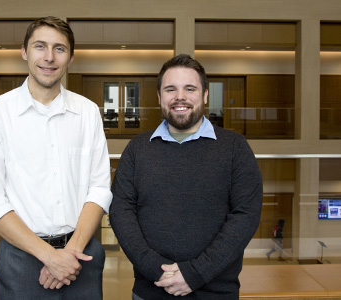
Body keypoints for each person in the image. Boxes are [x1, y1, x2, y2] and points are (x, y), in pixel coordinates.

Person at [0, 16, 112, 300]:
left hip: (81, 253)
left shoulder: (87, 112)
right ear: (24, 51)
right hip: (21, 259)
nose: (49, 57)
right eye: (40, 46)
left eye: (59, 49)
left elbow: (98, 189)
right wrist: (50, 257)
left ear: (70, 58)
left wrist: (69, 253)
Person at [109, 54, 263, 300]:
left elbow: (245, 216)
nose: (180, 96)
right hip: (151, 291)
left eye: (189, 89)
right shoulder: (137, 149)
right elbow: (121, 212)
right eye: (171, 89)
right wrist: (158, 272)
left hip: (216, 293)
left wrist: (195, 274)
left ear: (204, 96)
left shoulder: (235, 148)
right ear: (159, 97)